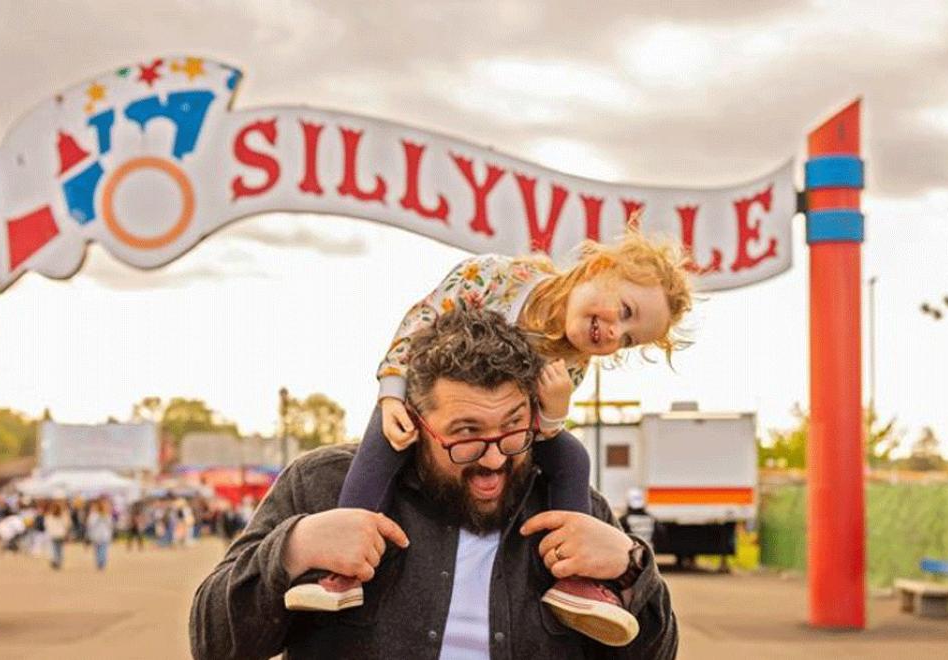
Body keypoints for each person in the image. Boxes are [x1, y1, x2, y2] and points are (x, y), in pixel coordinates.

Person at [191, 310, 678, 657]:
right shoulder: (323, 487)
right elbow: (213, 643)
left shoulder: (573, 508)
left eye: (513, 430)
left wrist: (632, 568)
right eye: (466, 436)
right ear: (412, 425)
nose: (493, 459)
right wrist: (292, 550)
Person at [292, 230, 691, 645]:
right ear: (597, 267)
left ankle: (577, 579)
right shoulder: (498, 277)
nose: (614, 335)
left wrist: (554, 412)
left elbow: (535, 432)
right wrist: (391, 393)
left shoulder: (574, 360)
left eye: (628, 339)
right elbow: (419, 322)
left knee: (573, 458)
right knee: (385, 439)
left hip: (510, 432)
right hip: (431, 402)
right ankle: (338, 566)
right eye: (624, 311)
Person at [87, 499, 115, 571]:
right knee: (99, 550)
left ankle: (101, 563)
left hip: (103, 535)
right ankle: (100, 562)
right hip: (98, 535)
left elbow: (110, 525)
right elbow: (90, 524)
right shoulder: (95, 515)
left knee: (101, 550)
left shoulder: (106, 515)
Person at [45, 500, 72, 569]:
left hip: (53, 534)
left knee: (54, 548)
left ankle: (55, 560)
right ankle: (58, 561)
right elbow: (67, 525)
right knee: (60, 549)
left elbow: (46, 525)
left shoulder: (50, 515)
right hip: (60, 534)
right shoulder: (63, 515)